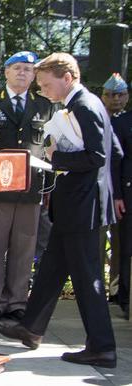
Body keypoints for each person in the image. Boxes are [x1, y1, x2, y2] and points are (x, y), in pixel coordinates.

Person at [0, 53, 121, 369]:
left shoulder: (84, 106)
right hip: (75, 206)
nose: (42, 90)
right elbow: (115, 150)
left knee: (87, 278)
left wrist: (56, 159)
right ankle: (31, 327)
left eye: (46, 84)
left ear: (67, 78)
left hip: (83, 206)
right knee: (52, 268)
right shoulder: (84, 105)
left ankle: (102, 347)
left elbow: (98, 156)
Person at [0, 51, 55, 323]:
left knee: (24, 249)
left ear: (34, 75)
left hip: (30, 187)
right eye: (17, 68)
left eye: (28, 69)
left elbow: (51, 146)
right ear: (6, 71)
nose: (22, 73)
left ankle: (17, 302)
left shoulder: (45, 105)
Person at [101, 73, 127, 306]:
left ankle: (116, 289)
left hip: (120, 192)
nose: (115, 99)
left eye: (120, 95)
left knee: (119, 244)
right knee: (97, 244)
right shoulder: (97, 117)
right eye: (110, 95)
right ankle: (96, 288)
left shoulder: (127, 121)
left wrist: (119, 193)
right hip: (97, 190)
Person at [111, 102, 132, 320]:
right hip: (128, 195)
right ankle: (126, 299)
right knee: (127, 249)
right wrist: (116, 195)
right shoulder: (123, 122)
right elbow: (115, 161)